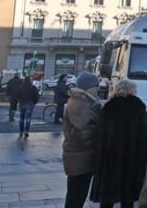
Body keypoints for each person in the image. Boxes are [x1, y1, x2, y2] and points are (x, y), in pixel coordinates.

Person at [90, 79, 147, 208]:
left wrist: (97, 156)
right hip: (131, 159)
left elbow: (99, 134)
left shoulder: (108, 107)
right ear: (132, 90)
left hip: (109, 158)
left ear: (116, 90)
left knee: (107, 197)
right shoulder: (138, 107)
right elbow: (145, 136)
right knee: (128, 197)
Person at [62, 72, 102, 208]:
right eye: (96, 86)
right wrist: (97, 143)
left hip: (78, 157)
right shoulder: (81, 103)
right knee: (76, 197)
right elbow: (82, 133)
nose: (98, 88)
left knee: (75, 196)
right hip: (80, 158)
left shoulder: (81, 101)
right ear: (88, 87)